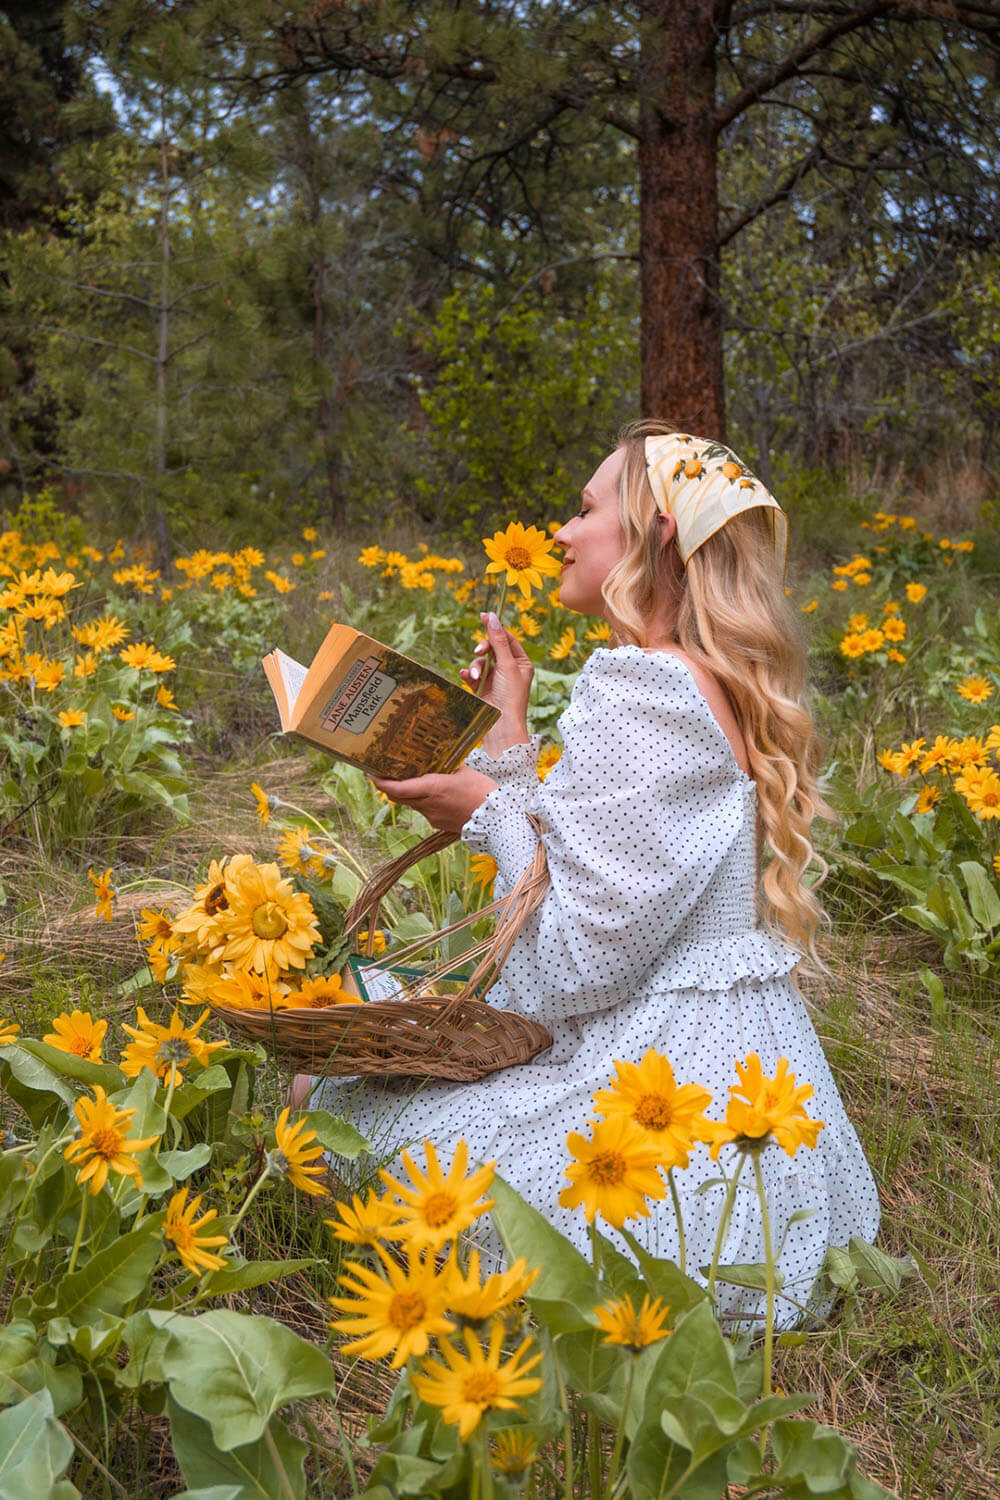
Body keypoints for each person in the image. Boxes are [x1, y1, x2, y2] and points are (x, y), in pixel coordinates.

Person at [322, 420, 880, 1327]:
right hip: (740, 1097)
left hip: (661, 1108)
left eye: (584, 511)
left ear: (657, 532)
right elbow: (611, 881)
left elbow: (575, 968)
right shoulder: (700, 679)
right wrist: (507, 749)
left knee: (335, 1095)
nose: (560, 533)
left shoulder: (642, 689)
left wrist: (487, 813)